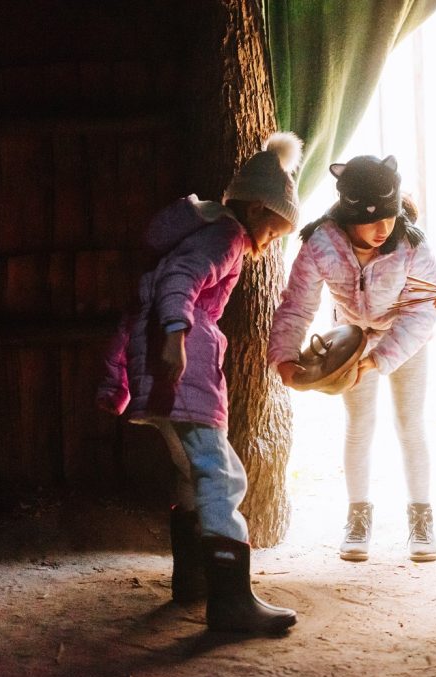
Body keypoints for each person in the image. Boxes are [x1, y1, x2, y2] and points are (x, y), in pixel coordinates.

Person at [96, 131, 303, 633]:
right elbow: (179, 281)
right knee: (221, 474)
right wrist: (176, 336)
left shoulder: (202, 230)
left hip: (161, 370)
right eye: (275, 230)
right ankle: (231, 603)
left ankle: (193, 581)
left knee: (190, 473)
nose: (270, 240)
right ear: (257, 211)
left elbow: (159, 285)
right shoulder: (226, 235)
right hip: (181, 370)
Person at [268, 154, 436, 563]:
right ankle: (358, 517)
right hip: (350, 342)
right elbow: (296, 305)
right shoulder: (321, 244)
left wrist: (382, 359)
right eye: (371, 219)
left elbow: (423, 311)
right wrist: (285, 356)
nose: (383, 229)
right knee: (359, 425)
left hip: (405, 340)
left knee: (410, 424)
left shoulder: (412, 246)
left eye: (391, 216)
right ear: (347, 213)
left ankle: (421, 518)